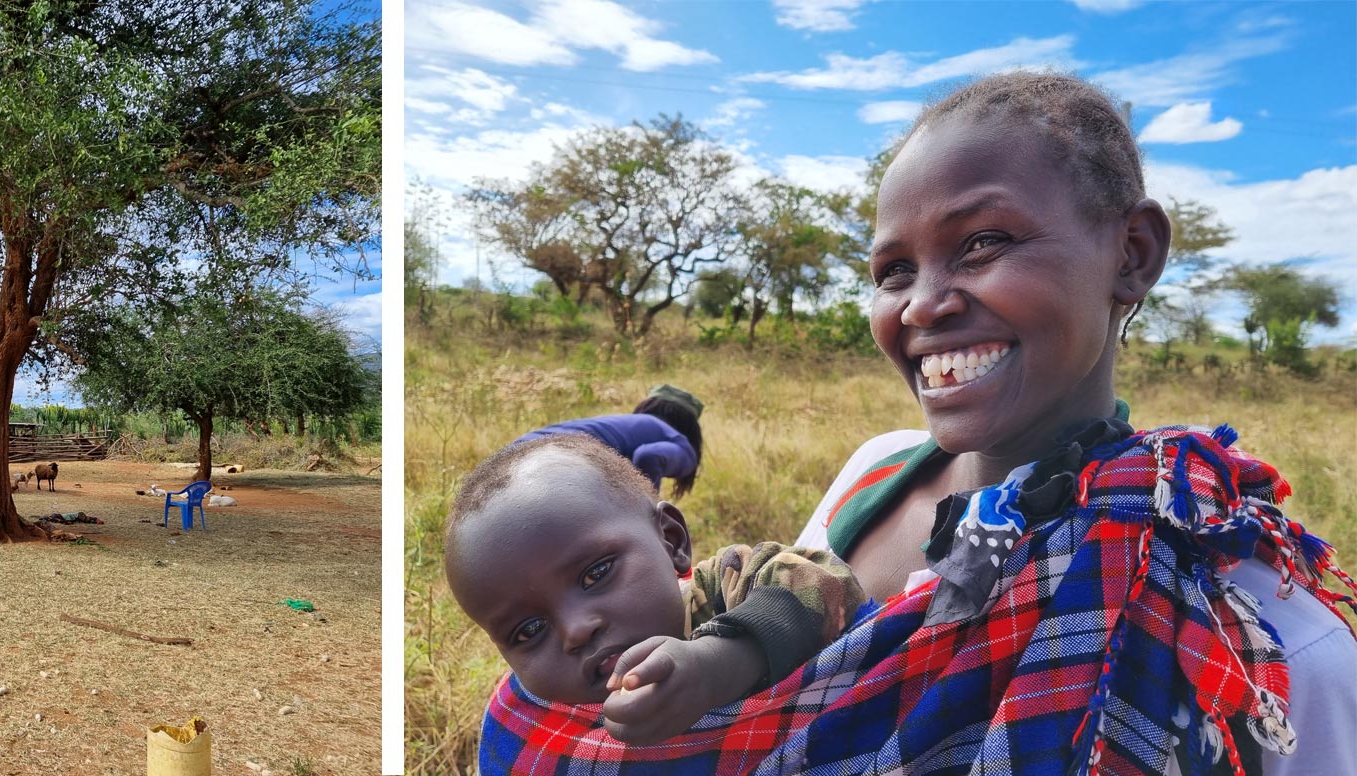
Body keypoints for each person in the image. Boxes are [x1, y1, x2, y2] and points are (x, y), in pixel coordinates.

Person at [474, 72, 1357, 775]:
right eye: (894, 269)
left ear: (1131, 255)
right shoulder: (874, 472)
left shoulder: (1254, 622)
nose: (925, 305)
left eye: (983, 242)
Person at [448, 434, 867, 746]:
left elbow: (825, 579)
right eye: (528, 630)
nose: (575, 631)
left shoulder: (726, 582)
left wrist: (720, 662)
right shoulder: (536, 725)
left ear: (671, 540)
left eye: (595, 574)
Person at [512, 384, 706, 498]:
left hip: (517, 452)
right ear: (691, 427)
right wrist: (650, 513)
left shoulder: (628, 424)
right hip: (556, 462)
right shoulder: (682, 446)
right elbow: (648, 456)